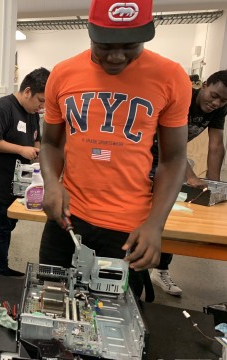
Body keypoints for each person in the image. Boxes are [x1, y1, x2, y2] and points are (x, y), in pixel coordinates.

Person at [38, 0, 191, 299]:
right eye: (105, 45)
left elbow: (174, 159)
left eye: (130, 45)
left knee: (114, 320)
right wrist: (51, 184)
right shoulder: (63, 74)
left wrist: (155, 225)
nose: (117, 56)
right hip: (68, 218)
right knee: (51, 304)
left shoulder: (171, 77)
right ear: (90, 31)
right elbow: (50, 142)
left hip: (129, 227)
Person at [150, 69, 227, 296]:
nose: (216, 103)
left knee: (172, 213)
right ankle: (130, 265)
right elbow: (170, 142)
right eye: (214, 95)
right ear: (203, 85)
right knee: (144, 210)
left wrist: (214, 185)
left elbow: (215, 145)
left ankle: (160, 269)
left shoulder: (219, 109)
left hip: (172, 158)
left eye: (223, 100)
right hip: (146, 155)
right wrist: (190, 176)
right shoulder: (183, 98)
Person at [0, 68, 50, 277]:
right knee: (1, 229)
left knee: (9, 224)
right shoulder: (2, 108)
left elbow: (36, 140)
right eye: (40, 101)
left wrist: (38, 158)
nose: (42, 107)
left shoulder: (32, 113)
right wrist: (21, 150)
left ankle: (0, 265)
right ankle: (0, 270)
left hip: (19, 182)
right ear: (27, 91)